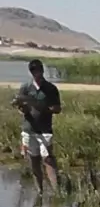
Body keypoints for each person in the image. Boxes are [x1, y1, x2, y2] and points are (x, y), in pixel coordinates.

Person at [11, 59, 62, 194]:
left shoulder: (51, 88)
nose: (36, 73)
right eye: (33, 71)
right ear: (31, 72)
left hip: (45, 129)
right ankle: (39, 192)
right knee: (34, 160)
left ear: (42, 70)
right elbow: (21, 108)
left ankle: (57, 191)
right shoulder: (25, 88)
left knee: (48, 159)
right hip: (29, 129)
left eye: (38, 70)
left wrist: (46, 109)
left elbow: (57, 109)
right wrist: (23, 109)